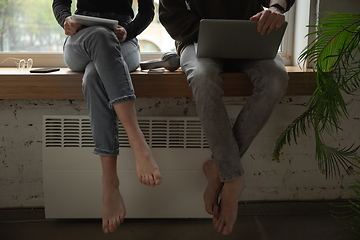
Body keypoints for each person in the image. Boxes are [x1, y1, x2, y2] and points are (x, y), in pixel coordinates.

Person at [159, 0, 295, 236]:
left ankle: (220, 168)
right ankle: (233, 178)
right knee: (203, 77)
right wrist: (214, 33)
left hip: (252, 38)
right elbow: (171, 14)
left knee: (275, 80)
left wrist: (276, 7)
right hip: (196, 40)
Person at [52, 0, 162, 234]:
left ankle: (109, 182)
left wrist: (128, 31)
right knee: (100, 36)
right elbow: (60, 2)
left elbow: (146, 11)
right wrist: (66, 20)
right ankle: (138, 141)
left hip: (123, 41)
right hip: (81, 39)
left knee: (94, 76)